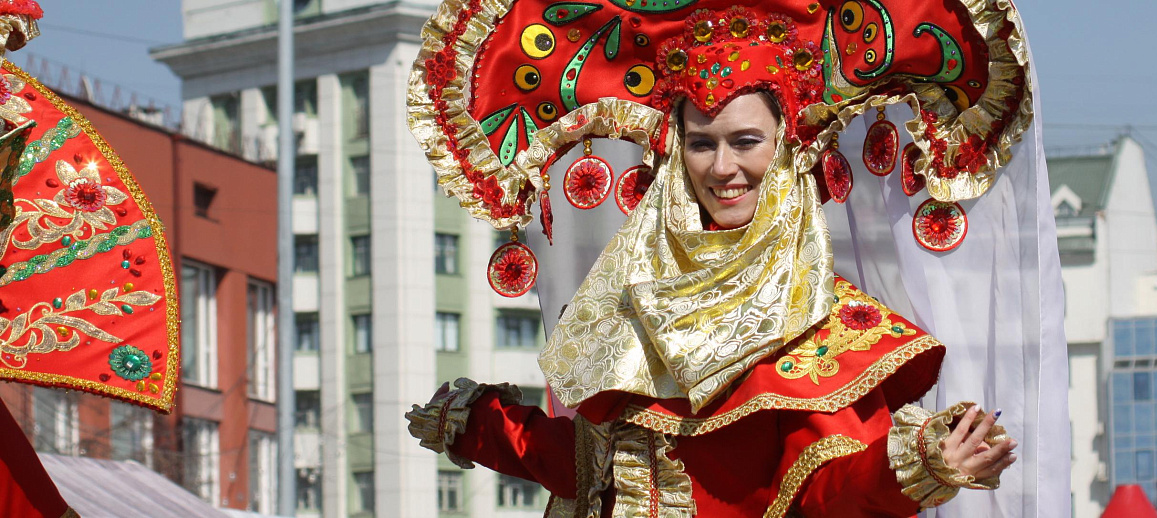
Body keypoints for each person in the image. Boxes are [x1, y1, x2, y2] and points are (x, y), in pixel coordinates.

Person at [404, 1, 1055, 516]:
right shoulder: (634, 293)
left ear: (786, 150)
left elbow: (827, 492)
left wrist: (916, 466)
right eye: (701, 143)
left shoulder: (815, 320)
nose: (722, 168)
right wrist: (482, 427)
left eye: (745, 141)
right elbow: (601, 468)